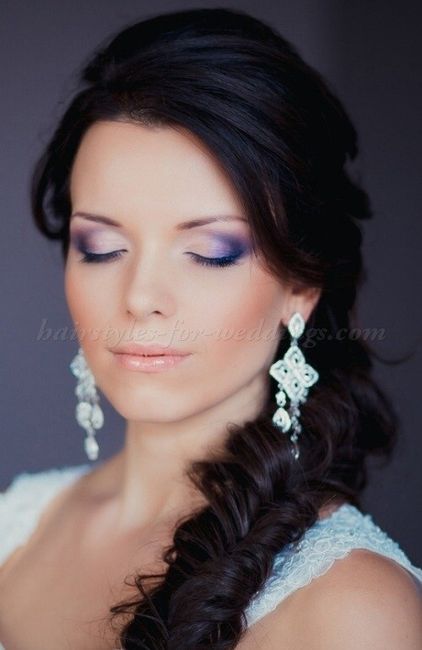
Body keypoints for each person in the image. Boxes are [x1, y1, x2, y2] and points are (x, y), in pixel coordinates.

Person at [1, 7, 421, 650]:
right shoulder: (15, 526)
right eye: (101, 247)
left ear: (301, 285)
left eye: (211, 253)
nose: (140, 297)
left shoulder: (354, 609)